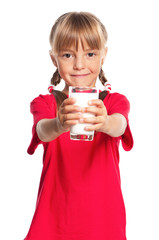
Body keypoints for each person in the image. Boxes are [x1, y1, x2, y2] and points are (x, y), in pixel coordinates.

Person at [24, 12, 133, 240]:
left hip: (103, 223)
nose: (80, 64)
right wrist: (59, 123)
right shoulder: (45, 102)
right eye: (67, 55)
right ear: (54, 59)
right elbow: (42, 130)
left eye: (90, 53)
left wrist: (104, 122)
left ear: (103, 56)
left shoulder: (114, 102)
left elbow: (119, 125)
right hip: (54, 221)